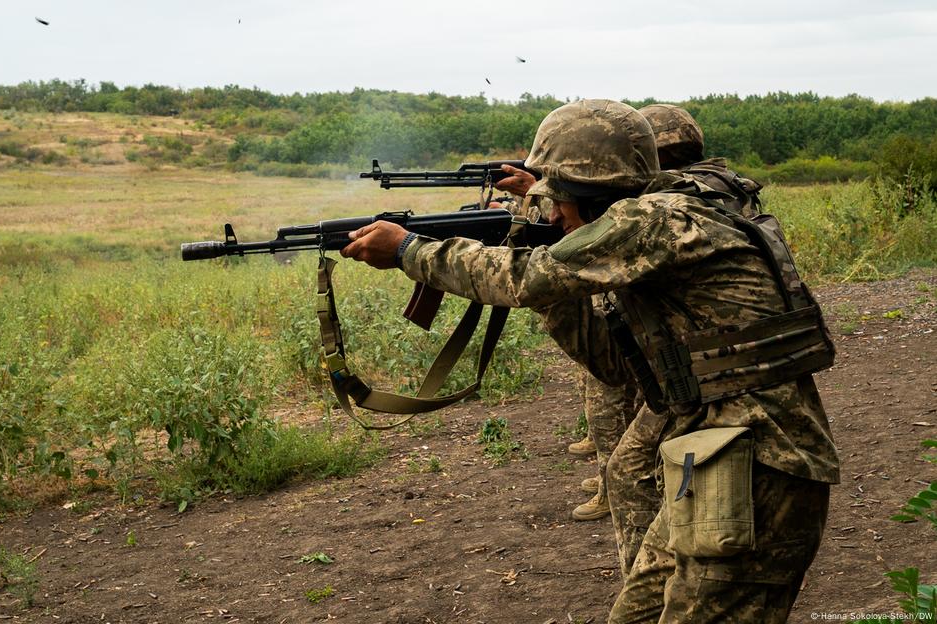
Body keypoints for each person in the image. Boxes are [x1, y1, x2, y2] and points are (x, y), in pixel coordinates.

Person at [339, 99, 839, 623]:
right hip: (712, 449)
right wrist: (558, 287)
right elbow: (613, 366)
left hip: (759, 463)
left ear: (591, 193)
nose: (552, 213)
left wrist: (409, 250)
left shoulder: (655, 219)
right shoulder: (654, 223)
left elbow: (522, 278)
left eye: (557, 197)